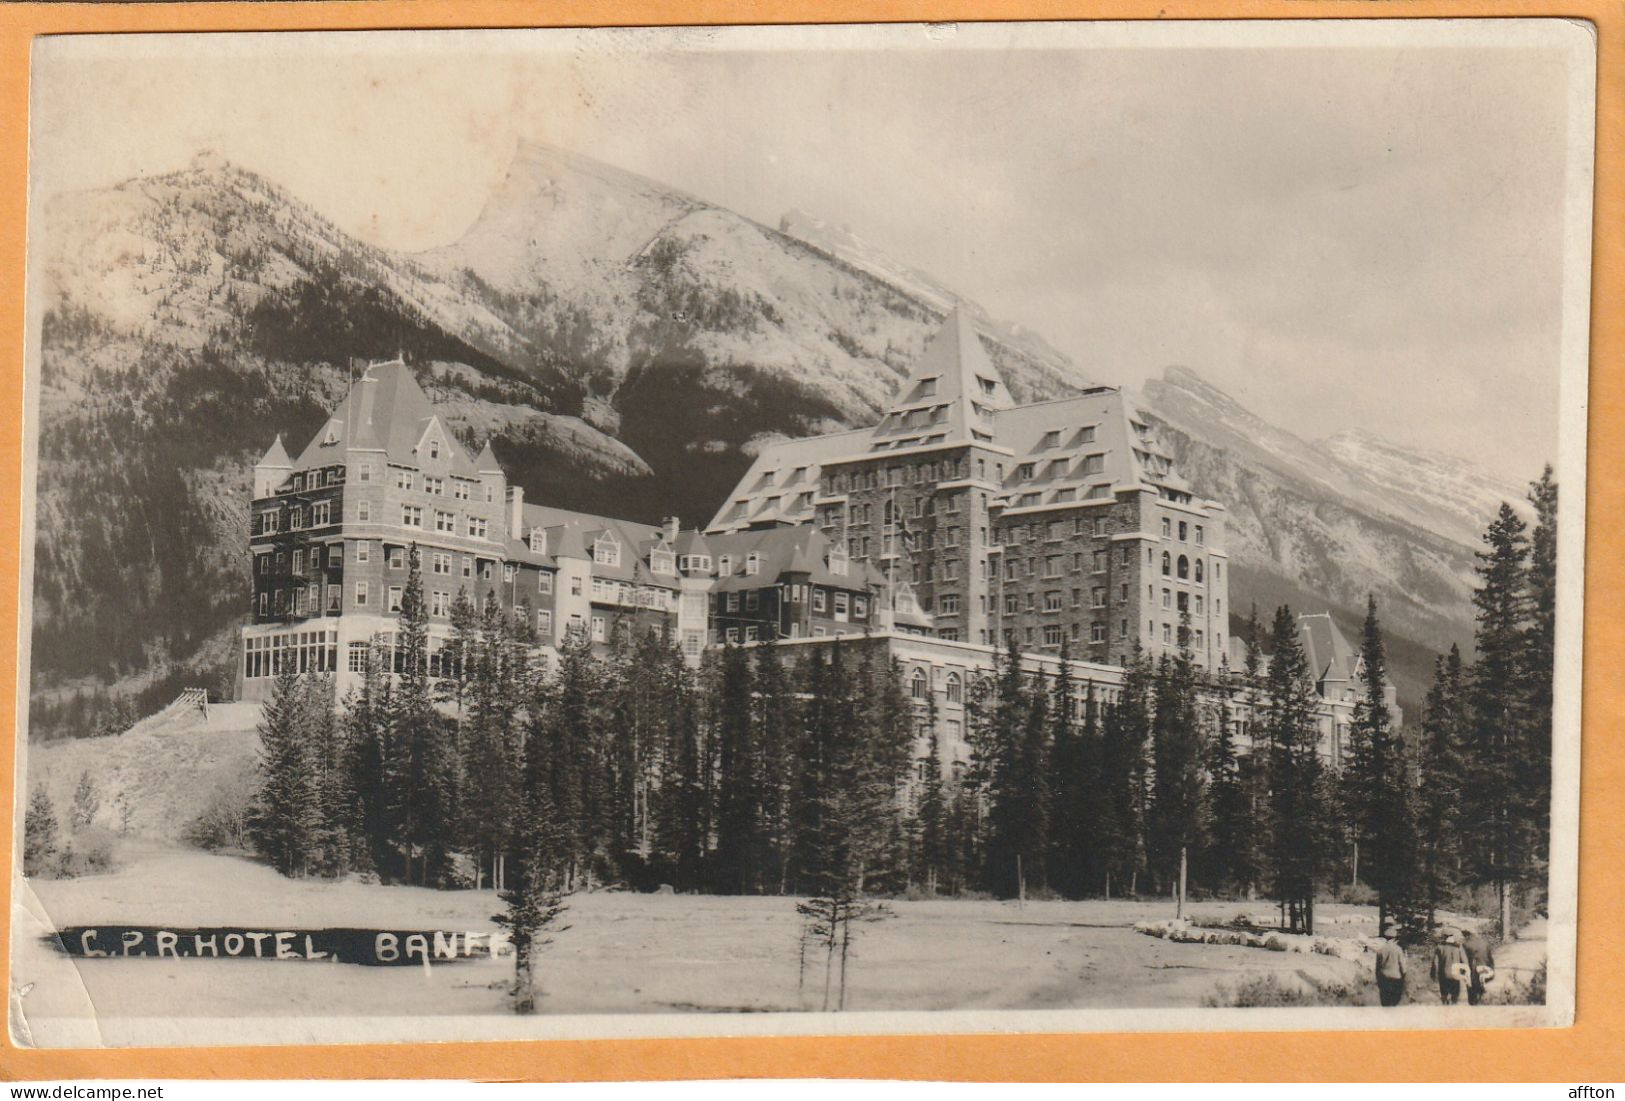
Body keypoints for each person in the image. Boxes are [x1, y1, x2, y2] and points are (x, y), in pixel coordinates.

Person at [1430, 929, 1472, 1005]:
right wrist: (1464, 973)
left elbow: (1435, 963)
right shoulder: (1459, 947)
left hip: (1443, 975)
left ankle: (1445, 1006)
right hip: (1455, 974)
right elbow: (1465, 962)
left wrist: (1434, 974)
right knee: (1455, 995)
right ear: (1453, 937)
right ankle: (1453, 1006)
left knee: (1444, 994)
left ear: (1444, 937)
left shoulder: (1440, 947)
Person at [1374, 923, 1407, 1007]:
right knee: (1394, 1002)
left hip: (1384, 978)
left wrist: (1378, 979)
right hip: (1395, 978)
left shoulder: (1380, 950)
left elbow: (1377, 967)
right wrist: (1404, 977)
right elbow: (1403, 966)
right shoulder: (1398, 949)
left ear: (1385, 938)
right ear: (1395, 938)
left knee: (1385, 1003)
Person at [1462, 926, 1496, 1006]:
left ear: (1467, 935)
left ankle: (1473, 1004)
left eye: (1464, 935)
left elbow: (1463, 959)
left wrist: (1463, 972)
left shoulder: (1465, 944)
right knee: (1480, 985)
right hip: (1484, 967)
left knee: (1471, 989)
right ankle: (1481, 997)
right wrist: (1492, 969)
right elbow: (1490, 958)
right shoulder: (1484, 942)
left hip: (1472, 970)